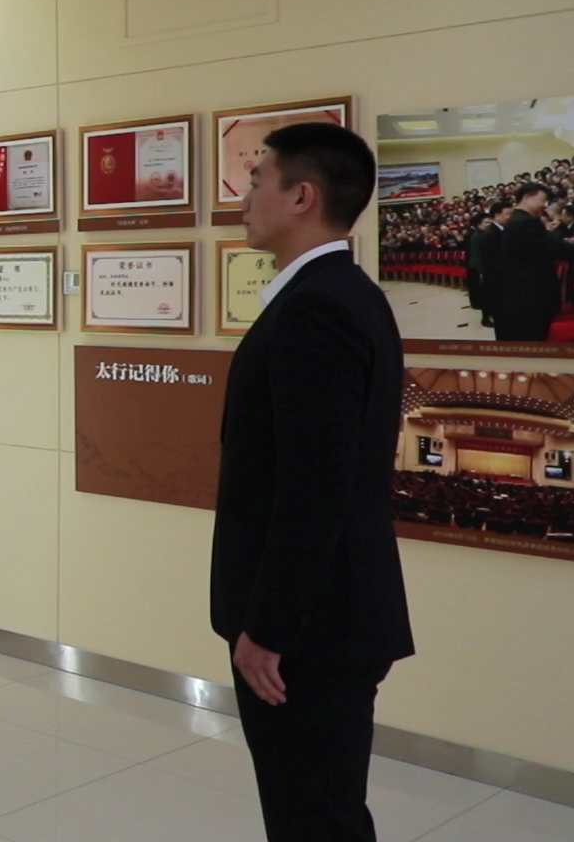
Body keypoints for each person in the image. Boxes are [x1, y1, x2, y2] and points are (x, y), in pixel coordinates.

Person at [212, 122, 415, 842]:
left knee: (313, 817)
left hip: (308, 632)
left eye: (256, 180)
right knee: (321, 810)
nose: (243, 198)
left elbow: (314, 488)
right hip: (324, 617)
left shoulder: (317, 309)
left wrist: (268, 629)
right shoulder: (343, 293)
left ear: (302, 196)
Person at [498, 182, 574, 341]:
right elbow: (553, 248)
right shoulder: (526, 222)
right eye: (542, 200)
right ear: (527, 198)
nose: (544, 205)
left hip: (522, 292)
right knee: (536, 338)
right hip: (532, 295)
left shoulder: (516, 219)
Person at [478, 201, 511, 332]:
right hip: (497, 280)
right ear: (497, 216)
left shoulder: (501, 231)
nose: (510, 217)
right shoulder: (491, 234)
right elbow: (494, 261)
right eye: (508, 214)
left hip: (501, 278)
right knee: (501, 314)